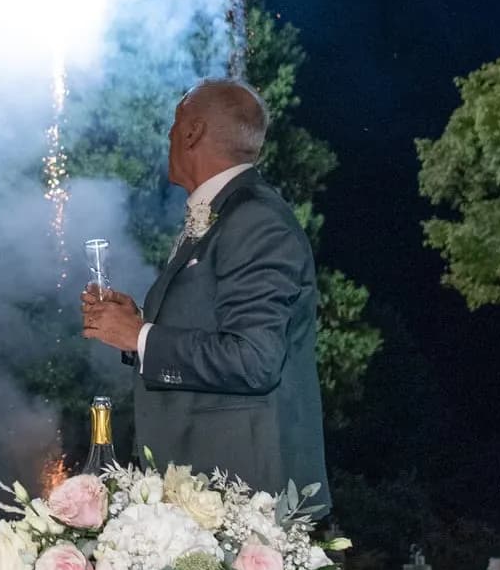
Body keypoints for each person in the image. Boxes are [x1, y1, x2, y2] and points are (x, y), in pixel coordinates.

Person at [82, 79, 328, 505]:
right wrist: (138, 325)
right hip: (208, 488)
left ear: (194, 132)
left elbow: (254, 359)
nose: (170, 136)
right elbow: (216, 327)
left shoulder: (255, 220)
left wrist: (141, 337)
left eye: (176, 124)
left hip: (244, 494)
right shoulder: (223, 213)